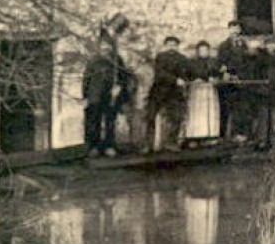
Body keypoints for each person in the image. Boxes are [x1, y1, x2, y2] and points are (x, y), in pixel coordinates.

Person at [81, 15, 135, 157]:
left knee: (110, 120)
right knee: (94, 121)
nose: (106, 48)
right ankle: (94, 147)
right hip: (95, 94)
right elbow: (86, 78)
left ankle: (109, 145)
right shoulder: (94, 60)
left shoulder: (117, 59)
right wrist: (85, 96)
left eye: (108, 46)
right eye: (103, 46)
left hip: (111, 94)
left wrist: (120, 88)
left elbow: (124, 76)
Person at [143, 36, 193, 151]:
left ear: (177, 46)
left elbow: (190, 72)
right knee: (150, 117)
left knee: (177, 117)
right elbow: (160, 73)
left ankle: (171, 143)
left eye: (174, 45)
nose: (172, 47)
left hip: (174, 93)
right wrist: (175, 80)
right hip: (158, 91)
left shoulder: (183, 59)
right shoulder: (160, 57)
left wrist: (201, 77)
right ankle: (148, 145)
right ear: (165, 46)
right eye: (169, 44)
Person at [216, 20, 254, 140]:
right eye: (232, 28)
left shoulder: (244, 46)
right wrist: (226, 73)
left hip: (241, 82)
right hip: (228, 83)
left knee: (242, 108)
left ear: (240, 30)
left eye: (237, 28)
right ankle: (223, 136)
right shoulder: (223, 46)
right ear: (229, 30)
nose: (235, 31)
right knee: (226, 108)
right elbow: (220, 64)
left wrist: (242, 77)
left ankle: (240, 134)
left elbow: (248, 63)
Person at [183, 40, 221, 141]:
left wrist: (215, 78)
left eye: (205, 50)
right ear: (198, 51)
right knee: (197, 112)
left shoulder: (213, 62)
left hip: (209, 89)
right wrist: (195, 79)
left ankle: (210, 134)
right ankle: (194, 136)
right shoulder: (191, 62)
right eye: (201, 50)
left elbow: (216, 73)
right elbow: (188, 74)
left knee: (210, 111)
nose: (203, 52)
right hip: (197, 90)